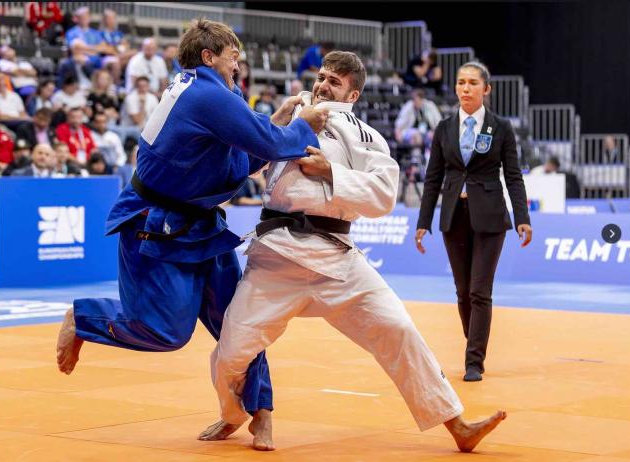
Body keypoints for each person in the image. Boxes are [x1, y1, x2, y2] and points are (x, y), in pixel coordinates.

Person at [207, 50, 506, 453]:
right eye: (322, 77)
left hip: (337, 257)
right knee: (232, 350)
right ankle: (233, 413)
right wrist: (276, 124)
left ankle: (458, 425)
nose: (323, 85)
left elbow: (384, 194)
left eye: (334, 81)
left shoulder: (366, 135)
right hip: (276, 254)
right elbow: (245, 166)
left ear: (352, 95)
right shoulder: (289, 120)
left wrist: (331, 172)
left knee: (399, 330)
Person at [55, 19, 327, 451]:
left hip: (199, 221)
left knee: (242, 324)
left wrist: (271, 128)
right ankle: (84, 317)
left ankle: (261, 413)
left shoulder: (212, 92)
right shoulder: (203, 94)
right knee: (167, 332)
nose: (239, 63)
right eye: (233, 55)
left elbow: (236, 164)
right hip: (154, 224)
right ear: (208, 57)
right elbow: (267, 146)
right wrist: (302, 126)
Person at [415, 61, 532, 382]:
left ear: (486, 89)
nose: (465, 88)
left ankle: (474, 361)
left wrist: (522, 217)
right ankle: (475, 341)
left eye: (472, 83)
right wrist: (423, 222)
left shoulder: (501, 127)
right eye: (461, 83)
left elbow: (513, 175)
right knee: (463, 292)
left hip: (491, 216)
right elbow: (433, 178)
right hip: (454, 216)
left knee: (480, 290)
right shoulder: (444, 128)